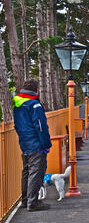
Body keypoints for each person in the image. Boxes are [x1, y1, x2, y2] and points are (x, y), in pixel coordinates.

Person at [13, 79, 52, 211]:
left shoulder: (18, 105)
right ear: (36, 90)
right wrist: (46, 143)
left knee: (27, 171)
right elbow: (41, 126)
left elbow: (17, 125)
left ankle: (25, 200)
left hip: (24, 142)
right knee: (36, 171)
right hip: (36, 143)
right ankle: (33, 203)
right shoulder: (34, 105)